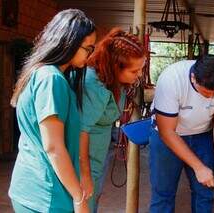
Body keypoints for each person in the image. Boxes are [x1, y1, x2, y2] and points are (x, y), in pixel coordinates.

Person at [9, 9, 96, 213]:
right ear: (70, 42)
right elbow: (54, 147)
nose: (90, 56)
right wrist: (78, 197)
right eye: (88, 49)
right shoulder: (51, 79)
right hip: (45, 196)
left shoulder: (42, 73)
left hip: (32, 188)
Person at [149, 54, 214, 213]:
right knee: (163, 193)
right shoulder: (171, 80)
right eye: (205, 93)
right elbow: (167, 132)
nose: (211, 97)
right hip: (167, 135)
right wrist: (199, 167)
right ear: (193, 78)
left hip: (202, 134)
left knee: (205, 193)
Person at [78, 27, 146, 212]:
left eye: (141, 69)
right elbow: (80, 132)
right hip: (84, 161)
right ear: (116, 67)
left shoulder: (113, 81)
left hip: (97, 156)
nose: (139, 75)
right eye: (134, 71)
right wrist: (84, 176)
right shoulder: (94, 85)